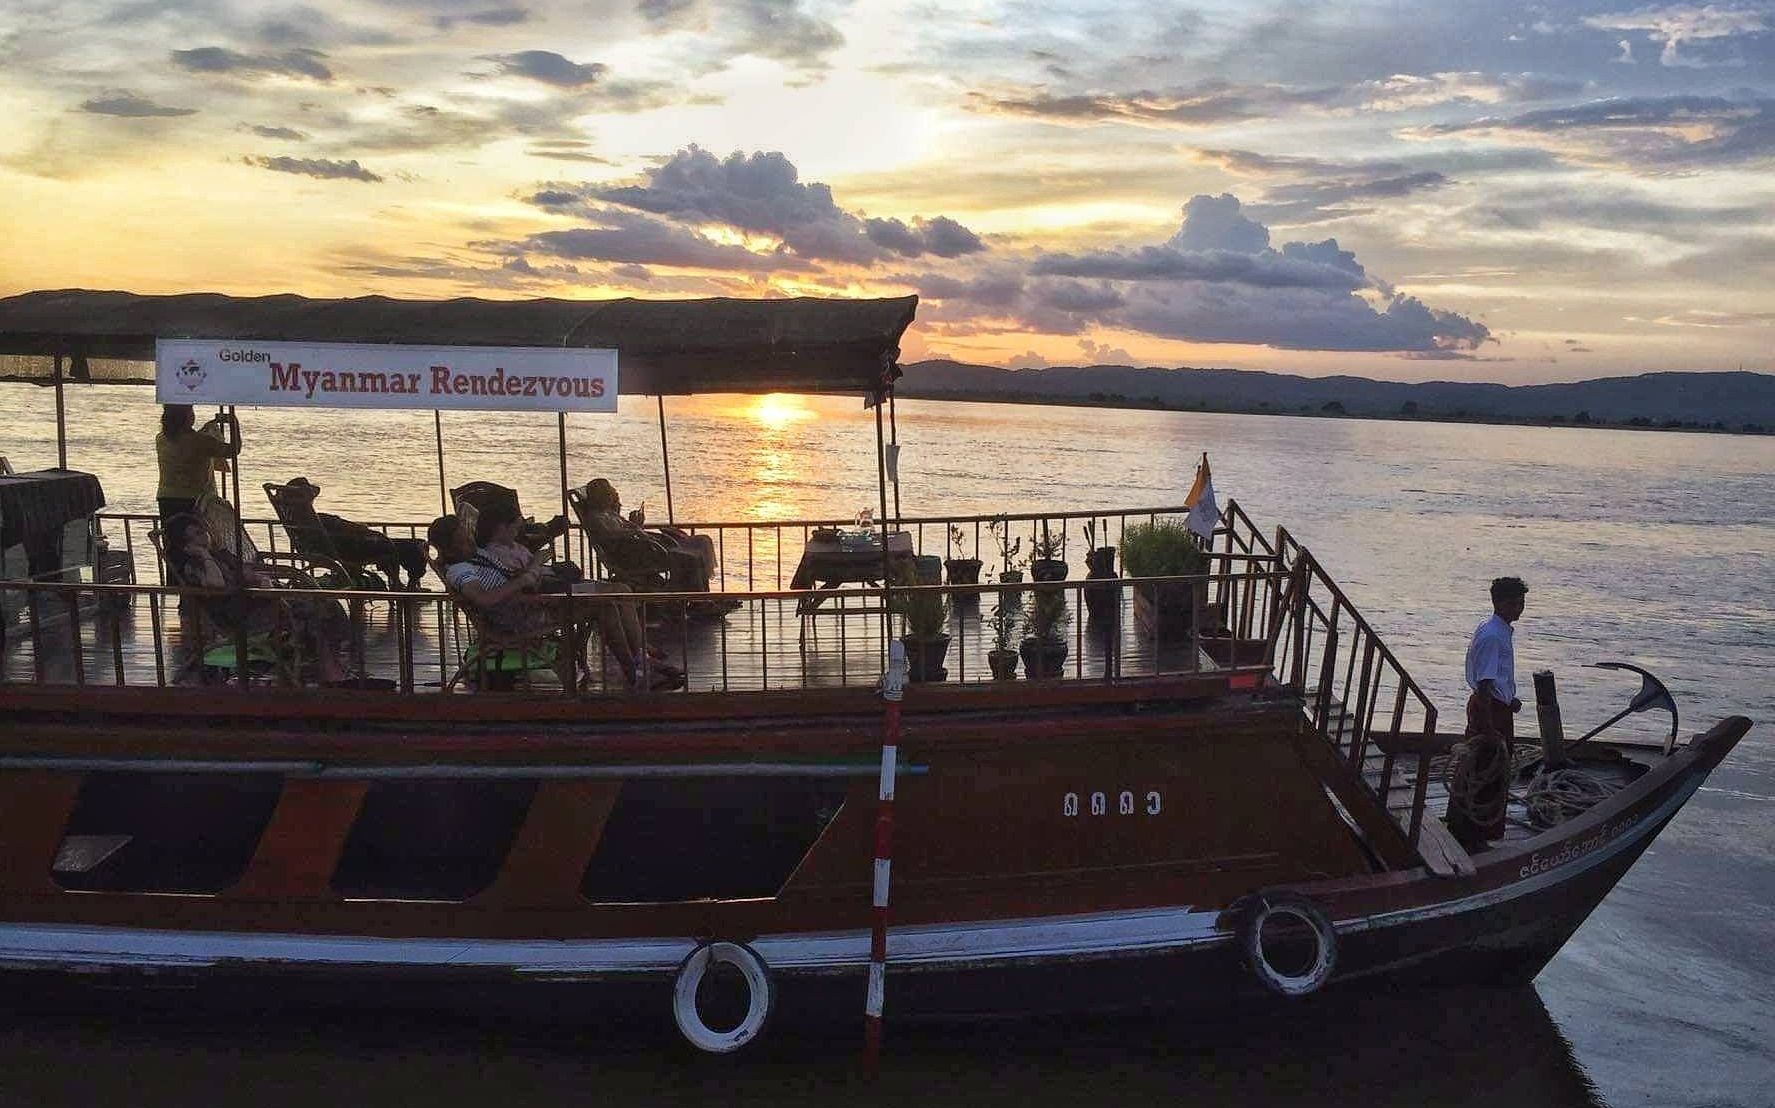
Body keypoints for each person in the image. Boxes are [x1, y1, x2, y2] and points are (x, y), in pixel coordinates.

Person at [428, 511, 682, 692]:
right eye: (462, 539)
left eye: (467, 535)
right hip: (521, 615)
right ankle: (636, 670)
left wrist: (526, 572)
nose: (469, 541)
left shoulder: (474, 560)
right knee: (604, 603)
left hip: (532, 603)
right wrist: (527, 577)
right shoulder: (461, 570)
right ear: (449, 548)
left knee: (610, 598)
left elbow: (502, 582)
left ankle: (638, 666)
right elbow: (484, 599)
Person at [162, 511, 351, 685]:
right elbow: (217, 585)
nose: (201, 539)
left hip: (256, 604)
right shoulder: (194, 566)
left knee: (327, 606)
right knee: (315, 613)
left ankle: (331, 665)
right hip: (240, 616)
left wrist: (259, 580)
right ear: (185, 545)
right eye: (193, 537)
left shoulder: (220, 556)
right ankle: (330, 670)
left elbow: (246, 574)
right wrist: (203, 555)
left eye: (201, 532)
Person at [1451, 575, 1528, 847]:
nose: (1521, 608)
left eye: (1522, 602)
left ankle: (1473, 830)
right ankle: (1473, 835)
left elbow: (1495, 680)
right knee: (1484, 772)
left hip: (1497, 706)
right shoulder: (1493, 635)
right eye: (1517, 603)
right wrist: (1489, 728)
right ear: (1503, 603)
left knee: (1486, 772)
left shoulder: (1496, 629)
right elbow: (1485, 685)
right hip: (1490, 711)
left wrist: (1510, 700)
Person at [278, 477, 429, 589]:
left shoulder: (305, 523)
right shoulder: (316, 520)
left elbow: (341, 528)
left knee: (405, 545)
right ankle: (403, 585)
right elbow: (346, 528)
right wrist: (363, 530)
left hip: (341, 546)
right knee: (410, 545)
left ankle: (403, 585)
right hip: (348, 549)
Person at [579, 477, 717, 590]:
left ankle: (703, 598)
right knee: (689, 558)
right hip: (633, 557)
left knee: (695, 554)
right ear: (599, 497)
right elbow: (611, 536)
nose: (611, 496)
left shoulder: (609, 513)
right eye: (608, 493)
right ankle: (697, 599)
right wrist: (635, 530)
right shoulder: (596, 518)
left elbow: (628, 530)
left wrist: (635, 524)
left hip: (642, 549)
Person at [156, 405, 240, 521]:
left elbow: (185, 446)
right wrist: (234, 424)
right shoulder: (201, 441)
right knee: (197, 537)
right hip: (195, 499)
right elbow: (233, 450)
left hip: (166, 497)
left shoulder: (161, 439)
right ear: (186, 417)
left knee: (172, 535)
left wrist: (204, 431)